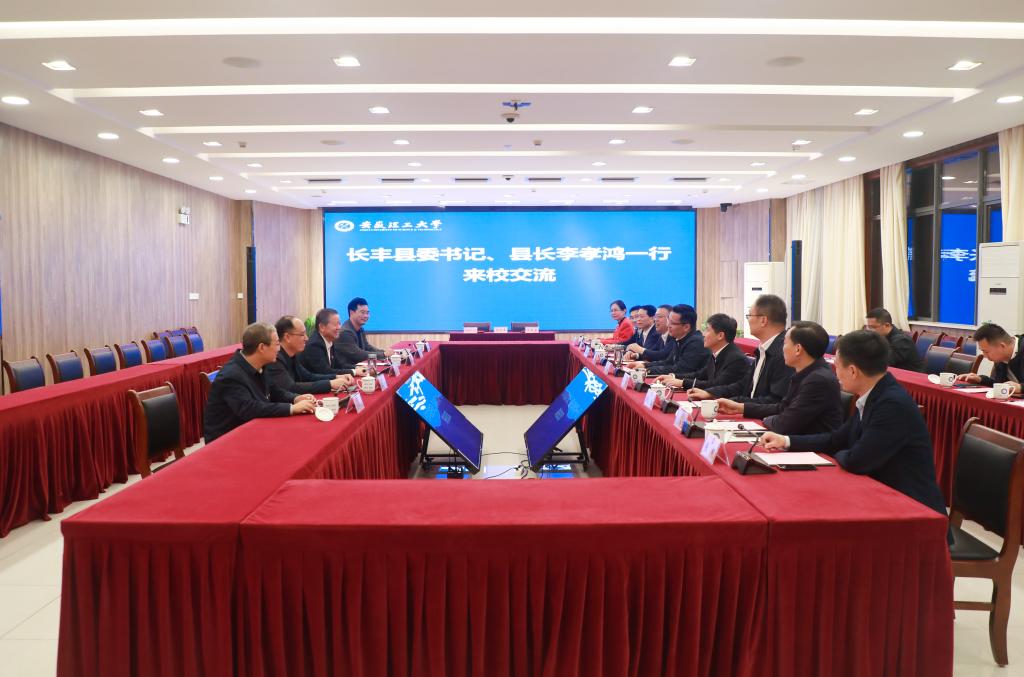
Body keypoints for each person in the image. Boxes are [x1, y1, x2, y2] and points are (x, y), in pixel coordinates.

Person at [760, 330, 947, 518]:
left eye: (837, 365)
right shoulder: (874, 394)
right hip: (879, 496)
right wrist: (785, 441)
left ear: (852, 371)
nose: (835, 372)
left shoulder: (891, 404)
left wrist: (839, 453)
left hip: (913, 510)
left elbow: (857, 461)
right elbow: (836, 439)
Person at [716, 321, 842, 435]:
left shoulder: (818, 380)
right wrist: (740, 407)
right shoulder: (806, 372)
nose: (782, 349)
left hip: (812, 448)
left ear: (798, 349)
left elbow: (785, 424)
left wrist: (767, 419)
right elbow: (782, 408)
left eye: (785, 344)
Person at [203, 322, 317, 443]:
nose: (279, 349)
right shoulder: (231, 376)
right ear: (262, 347)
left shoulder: (259, 363)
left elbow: (274, 391)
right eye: (277, 344)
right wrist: (292, 408)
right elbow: (250, 409)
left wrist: (295, 398)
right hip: (227, 440)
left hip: (253, 428)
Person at [688, 294, 793, 404]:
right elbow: (743, 385)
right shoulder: (764, 349)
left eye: (749, 315)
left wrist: (739, 406)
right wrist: (710, 393)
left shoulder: (784, 352)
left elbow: (775, 401)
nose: (748, 320)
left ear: (763, 320)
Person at [655, 313, 747, 390]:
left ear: (720, 336)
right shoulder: (717, 353)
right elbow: (699, 375)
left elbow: (717, 385)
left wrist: (683, 383)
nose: (704, 335)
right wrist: (673, 377)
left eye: (707, 330)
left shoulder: (736, 359)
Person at [269, 316, 354, 395]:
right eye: (302, 334)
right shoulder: (275, 359)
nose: (306, 338)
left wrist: (336, 377)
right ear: (287, 337)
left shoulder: (293, 355)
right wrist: (330, 384)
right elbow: (291, 387)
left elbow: (308, 377)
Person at [955, 323, 1024, 391]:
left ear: (1002, 346)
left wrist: (1021, 387)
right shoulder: (1001, 358)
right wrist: (980, 380)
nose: (984, 356)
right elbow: (999, 384)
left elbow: (1018, 387)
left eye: (986, 351)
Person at [645, 304, 710, 376]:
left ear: (686, 327)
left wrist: (648, 370)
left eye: (672, 323)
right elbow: (668, 362)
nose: (668, 325)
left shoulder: (696, 343)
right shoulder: (679, 338)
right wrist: (645, 366)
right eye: (668, 321)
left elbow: (680, 370)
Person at [300, 308, 366, 377]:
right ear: (322, 327)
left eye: (339, 324)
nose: (339, 327)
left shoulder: (330, 340)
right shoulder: (314, 345)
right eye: (335, 324)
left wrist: (356, 367)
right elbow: (325, 372)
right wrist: (354, 372)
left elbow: (339, 365)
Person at [864, 307, 924, 372]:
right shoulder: (881, 337)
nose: (869, 330)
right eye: (868, 327)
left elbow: (884, 362)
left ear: (887, 325)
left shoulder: (902, 340)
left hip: (911, 376)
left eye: (873, 327)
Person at [336, 297, 393, 364]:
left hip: (360, 367)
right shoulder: (345, 332)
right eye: (362, 312)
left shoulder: (360, 329)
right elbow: (358, 354)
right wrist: (383, 354)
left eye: (367, 313)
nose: (366, 316)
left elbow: (367, 347)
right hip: (348, 369)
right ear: (352, 313)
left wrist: (383, 352)